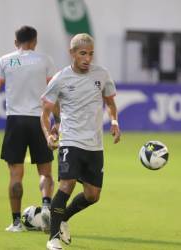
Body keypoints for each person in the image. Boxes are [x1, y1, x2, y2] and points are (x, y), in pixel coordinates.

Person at [40, 33, 121, 250]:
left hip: (95, 145)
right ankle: (53, 238)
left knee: (92, 195)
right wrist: (50, 132)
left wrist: (114, 120)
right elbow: (45, 109)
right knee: (67, 185)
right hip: (71, 141)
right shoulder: (61, 78)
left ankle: (62, 218)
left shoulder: (102, 75)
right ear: (72, 53)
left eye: (91, 54)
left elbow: (111, 102)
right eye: (83, 53)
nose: (87, 58)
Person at [0, 25, 56, 232]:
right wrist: (57, 122)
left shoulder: (5, 61)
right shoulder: (45, 60)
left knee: (15, 175)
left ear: (16, 42)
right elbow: (53, 94)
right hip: (40, 121)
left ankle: (15, 223)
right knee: (46, 172)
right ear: (35, 42)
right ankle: (47, 208)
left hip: (15, 121)